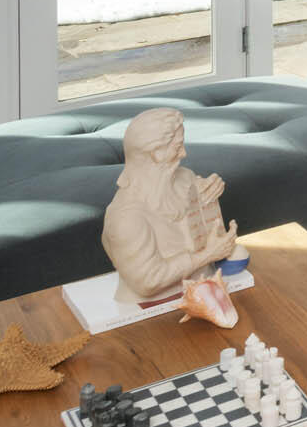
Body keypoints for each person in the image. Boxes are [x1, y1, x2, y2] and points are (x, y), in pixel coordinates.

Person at [101, 107, 240, 305]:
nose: (184, 153)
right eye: (177, 147)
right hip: (154, 311)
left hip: (203, 287)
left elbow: (198, 221)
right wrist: (208, 254)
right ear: (155, 152)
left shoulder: (183, 177)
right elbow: (147, 282)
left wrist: (210, 193)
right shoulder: (126, 218)